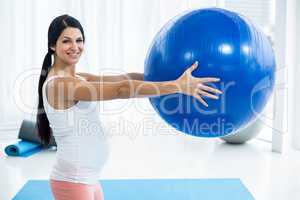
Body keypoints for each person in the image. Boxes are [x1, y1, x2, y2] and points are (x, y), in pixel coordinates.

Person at [36, 14, 222, 200]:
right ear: (53, 45)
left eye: (79, 40)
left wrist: (169, 76)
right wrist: (177, 86)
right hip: (72, 181)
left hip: (87, 179)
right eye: (66, 41)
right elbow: (120, 90)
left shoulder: (79, 78)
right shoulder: (59, 85)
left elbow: (125, 78)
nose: (75, 47)